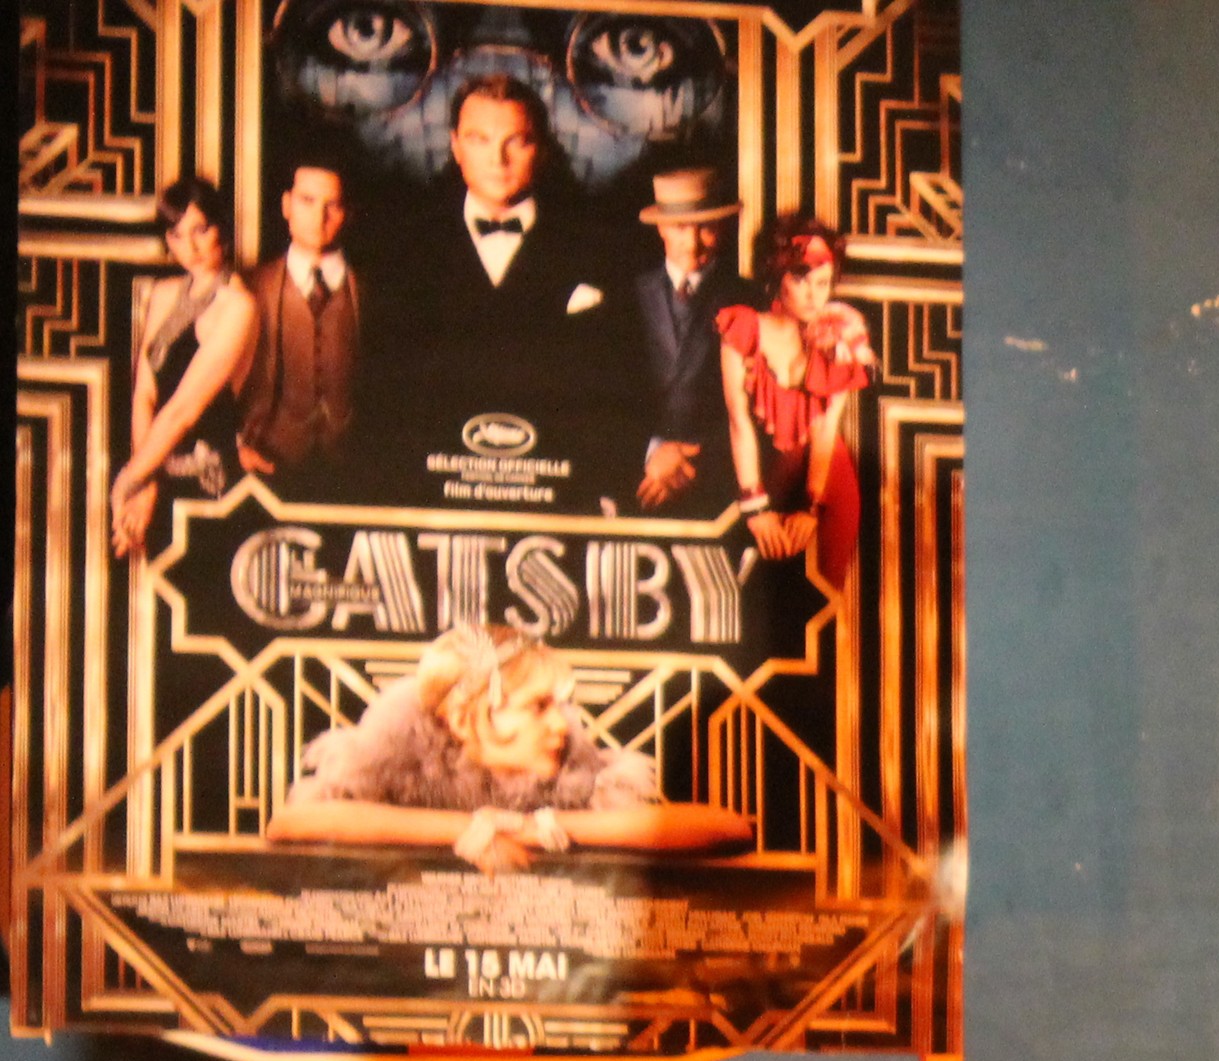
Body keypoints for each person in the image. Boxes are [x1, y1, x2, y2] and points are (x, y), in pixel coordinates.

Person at [268, 622, 755, 874]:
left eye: (559, 706)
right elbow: (291, 823)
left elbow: (726, 828)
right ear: (465, 719)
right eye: (538, 706)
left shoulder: (574, 773)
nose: (561, 725)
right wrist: (470, 829)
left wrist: (533, 827)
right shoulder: (393, 761)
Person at [355, 74, 628, 505]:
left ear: (542, 148)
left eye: (516, 141)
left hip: (559, 489)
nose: (497, 159)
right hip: (430, 492)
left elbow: (614, 392)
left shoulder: (597, 250)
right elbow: (384, 394)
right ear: (455, 146)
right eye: (479, 140)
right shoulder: (403, 250)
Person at [718, 210, 876, 581]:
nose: (812, 295)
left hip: (826, 479)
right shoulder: (744, 328)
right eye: (800, 279)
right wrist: (755, 507)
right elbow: (739, 423)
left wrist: (811, 506)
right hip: (765, 471)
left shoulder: (839, 339)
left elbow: (825, 431)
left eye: (822, 283)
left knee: (827, 586)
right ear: (778, 276)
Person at [112, 177, 261, 557]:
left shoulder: (238, 305)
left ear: (221, 228)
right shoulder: (162, 294)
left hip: (208, 484)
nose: (189, 247)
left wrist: (128, 480)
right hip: (153, 476)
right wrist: (146, 485)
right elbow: (145, 394)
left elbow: (183, 410)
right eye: (177, 235)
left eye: (200, 230)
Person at [626, 166, 748, 513]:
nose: (692, 243)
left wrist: (693, 457)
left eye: (705, 228)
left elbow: (759, 408)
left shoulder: (748, 299)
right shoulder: (627, 295)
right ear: (661, 227)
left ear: (723, 227)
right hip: (638, 480)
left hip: (717, 485)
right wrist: (654, 453)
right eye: (680, 227)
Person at [237, 161, 363, 484]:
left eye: (332, 205)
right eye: (307, 201)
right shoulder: (249, 285)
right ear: (286, 205)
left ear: (347, 213)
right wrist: (235, 443)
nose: (319, 217)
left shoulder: (372, 290)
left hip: (354, 470)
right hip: (267, 463)